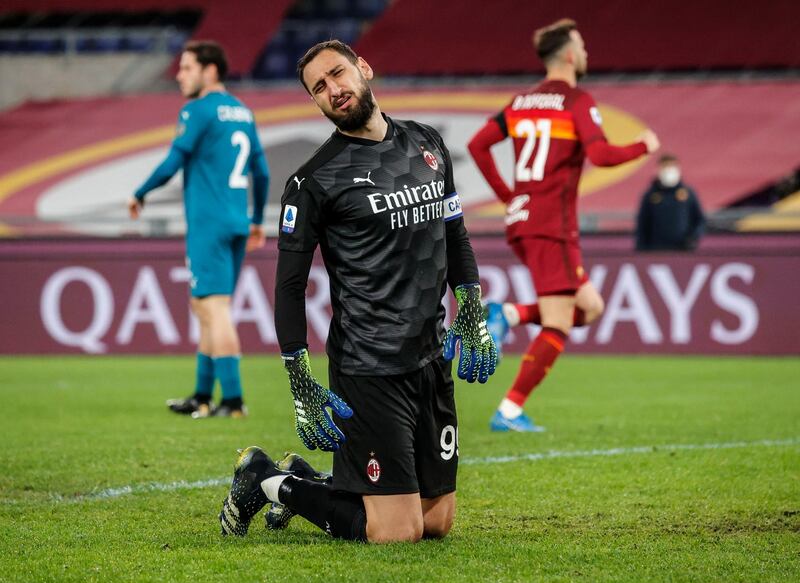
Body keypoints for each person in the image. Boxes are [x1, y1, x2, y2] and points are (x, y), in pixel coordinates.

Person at [218, 40, 497, 543]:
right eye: (319, 88)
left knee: (436, 521)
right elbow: (289, 287)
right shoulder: (313, 181)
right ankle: (265, 479)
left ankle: (305, 477)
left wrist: (471, 308)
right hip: (368, 366)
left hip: (429, 357)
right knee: (397, 531)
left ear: (363, 68)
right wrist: (299, 378)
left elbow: (453, 234)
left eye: (338, 74)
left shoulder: (427, 143)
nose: (333, 90)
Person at [467, 18, 660, 432]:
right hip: (551, 224)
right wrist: (644, 145)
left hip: (524, 221)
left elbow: (477, 145)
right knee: (558, 321)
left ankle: (510, 314)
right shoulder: (576, 100)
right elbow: (604, 155)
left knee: (589, 307)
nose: (587, 53)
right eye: (583, 46)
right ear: (570, 54)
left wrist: (509, 197)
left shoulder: (520, 102)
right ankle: (510, 410)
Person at [128, 41, 269, 418]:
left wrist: (140, 193)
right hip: (238, 221)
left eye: (187, 67)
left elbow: (174, 160)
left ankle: (234, 401)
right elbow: (263, 171)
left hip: (209, 223)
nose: (179, 74)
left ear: (210, 71)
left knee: (214, 308)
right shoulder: (243, 112)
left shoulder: (198, 111)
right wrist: (256, 221)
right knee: (204, 307)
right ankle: (203, 395)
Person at [636, 154, 705, 251]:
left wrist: (693, 237)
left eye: (671, 166)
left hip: (683, 249)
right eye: (665, 166)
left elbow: (699, 220)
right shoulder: (651, 195)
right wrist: (641, 247)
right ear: (659, 170)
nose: (669, 170)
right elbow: (642, 223)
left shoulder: (688, 193)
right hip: (656, 250)